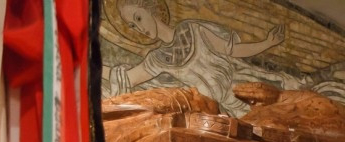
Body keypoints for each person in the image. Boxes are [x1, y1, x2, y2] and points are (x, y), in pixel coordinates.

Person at [103, 0, 303, 116]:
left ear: (151, 8)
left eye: (138, 18)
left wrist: (267, 43)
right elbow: (126, 77)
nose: (139, 28)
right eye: (133, 26)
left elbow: (231, 49)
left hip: (243, 93)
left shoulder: (192, 29)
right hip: (218, 113)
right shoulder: (157, 58)